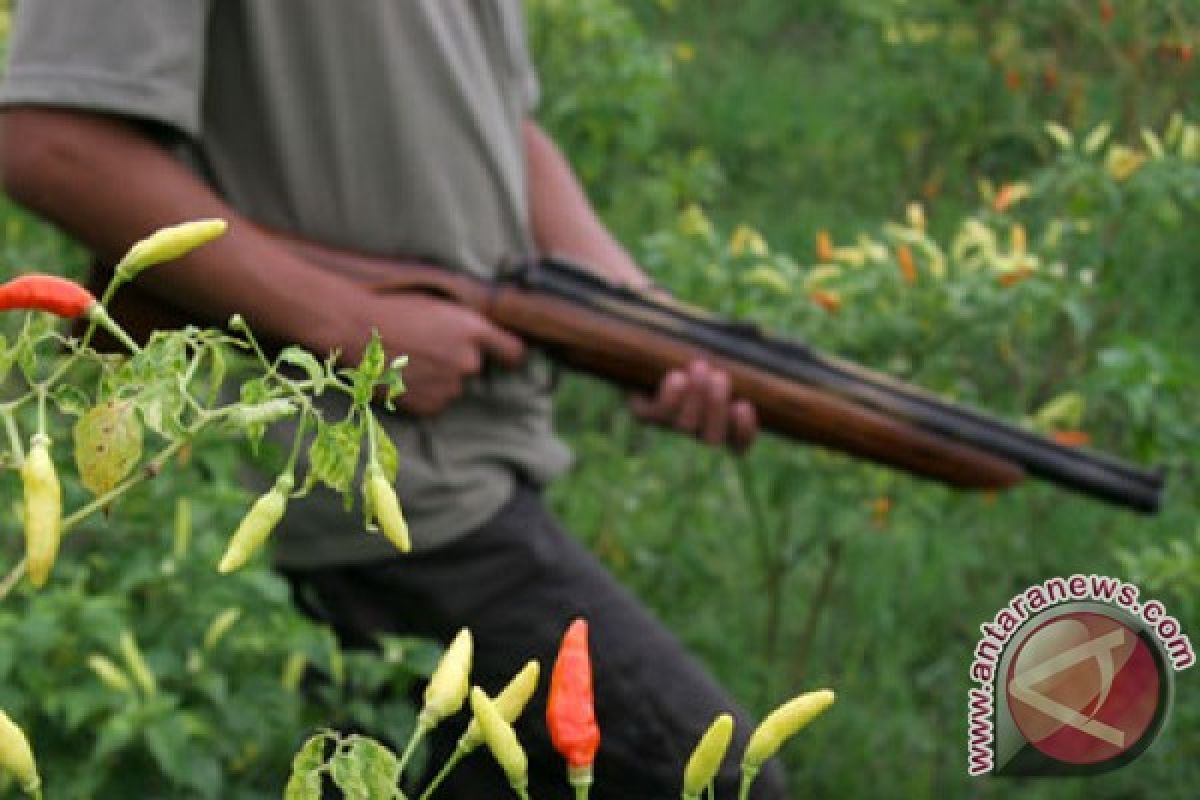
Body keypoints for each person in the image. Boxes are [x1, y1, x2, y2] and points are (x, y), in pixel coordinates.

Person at [0, 2, 785, 797]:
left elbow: (497, 119)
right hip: (359, 478)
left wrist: (637, 320)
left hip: (469, 467)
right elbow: (53, 140)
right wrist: (350, 323)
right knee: (723, 781)